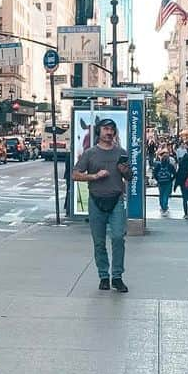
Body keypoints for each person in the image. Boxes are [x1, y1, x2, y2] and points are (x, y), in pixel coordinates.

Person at [73, 118, 131, 292]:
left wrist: (125, 171)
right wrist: (94, 176)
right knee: (99, 242)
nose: (109, 132)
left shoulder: (121, 152)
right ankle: (104, 276)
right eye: (106, 129)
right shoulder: (90, 153)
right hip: (96, 200)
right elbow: (75, 174)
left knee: (118, 238)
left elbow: (129, 177)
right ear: (99, 132)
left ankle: (117, 276)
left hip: (116, 200)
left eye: (112, 129)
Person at [152, 149, 177, 216]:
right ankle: (165, 207)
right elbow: (175, 174)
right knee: (166, 195)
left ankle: (162, 206)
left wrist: (157, 179)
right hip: (168, 182)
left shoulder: (158, 165)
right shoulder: (170, 165)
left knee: (161, 194)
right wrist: (171, 180)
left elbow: (154, 173)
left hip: (160, 182)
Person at [176, 144, 188, 219]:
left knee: (184, 198)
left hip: (182, 183)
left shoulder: (181, 165)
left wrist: (176, 184)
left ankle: (186, 214)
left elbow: (178, 174)